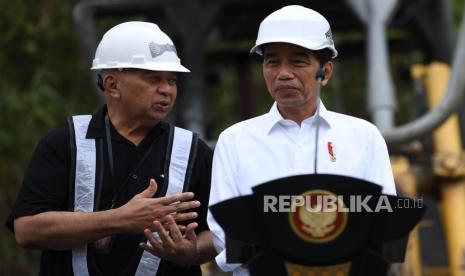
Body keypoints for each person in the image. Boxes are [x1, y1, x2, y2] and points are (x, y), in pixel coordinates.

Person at [6, 21, 216, 276]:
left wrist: (191, 253)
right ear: (112, 85)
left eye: (172, 80)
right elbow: (27, 230)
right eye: (153, 78)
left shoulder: (193, 151)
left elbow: (218, 234)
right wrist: (120, 219)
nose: (166, 90)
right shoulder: (63, 144)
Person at [206, 5, 397, 276]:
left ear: (325, 72)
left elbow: (383, 223)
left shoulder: (363, 137)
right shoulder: (235, 141)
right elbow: (222, 229)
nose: (283, 73)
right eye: (272, 61)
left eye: (298, 61)